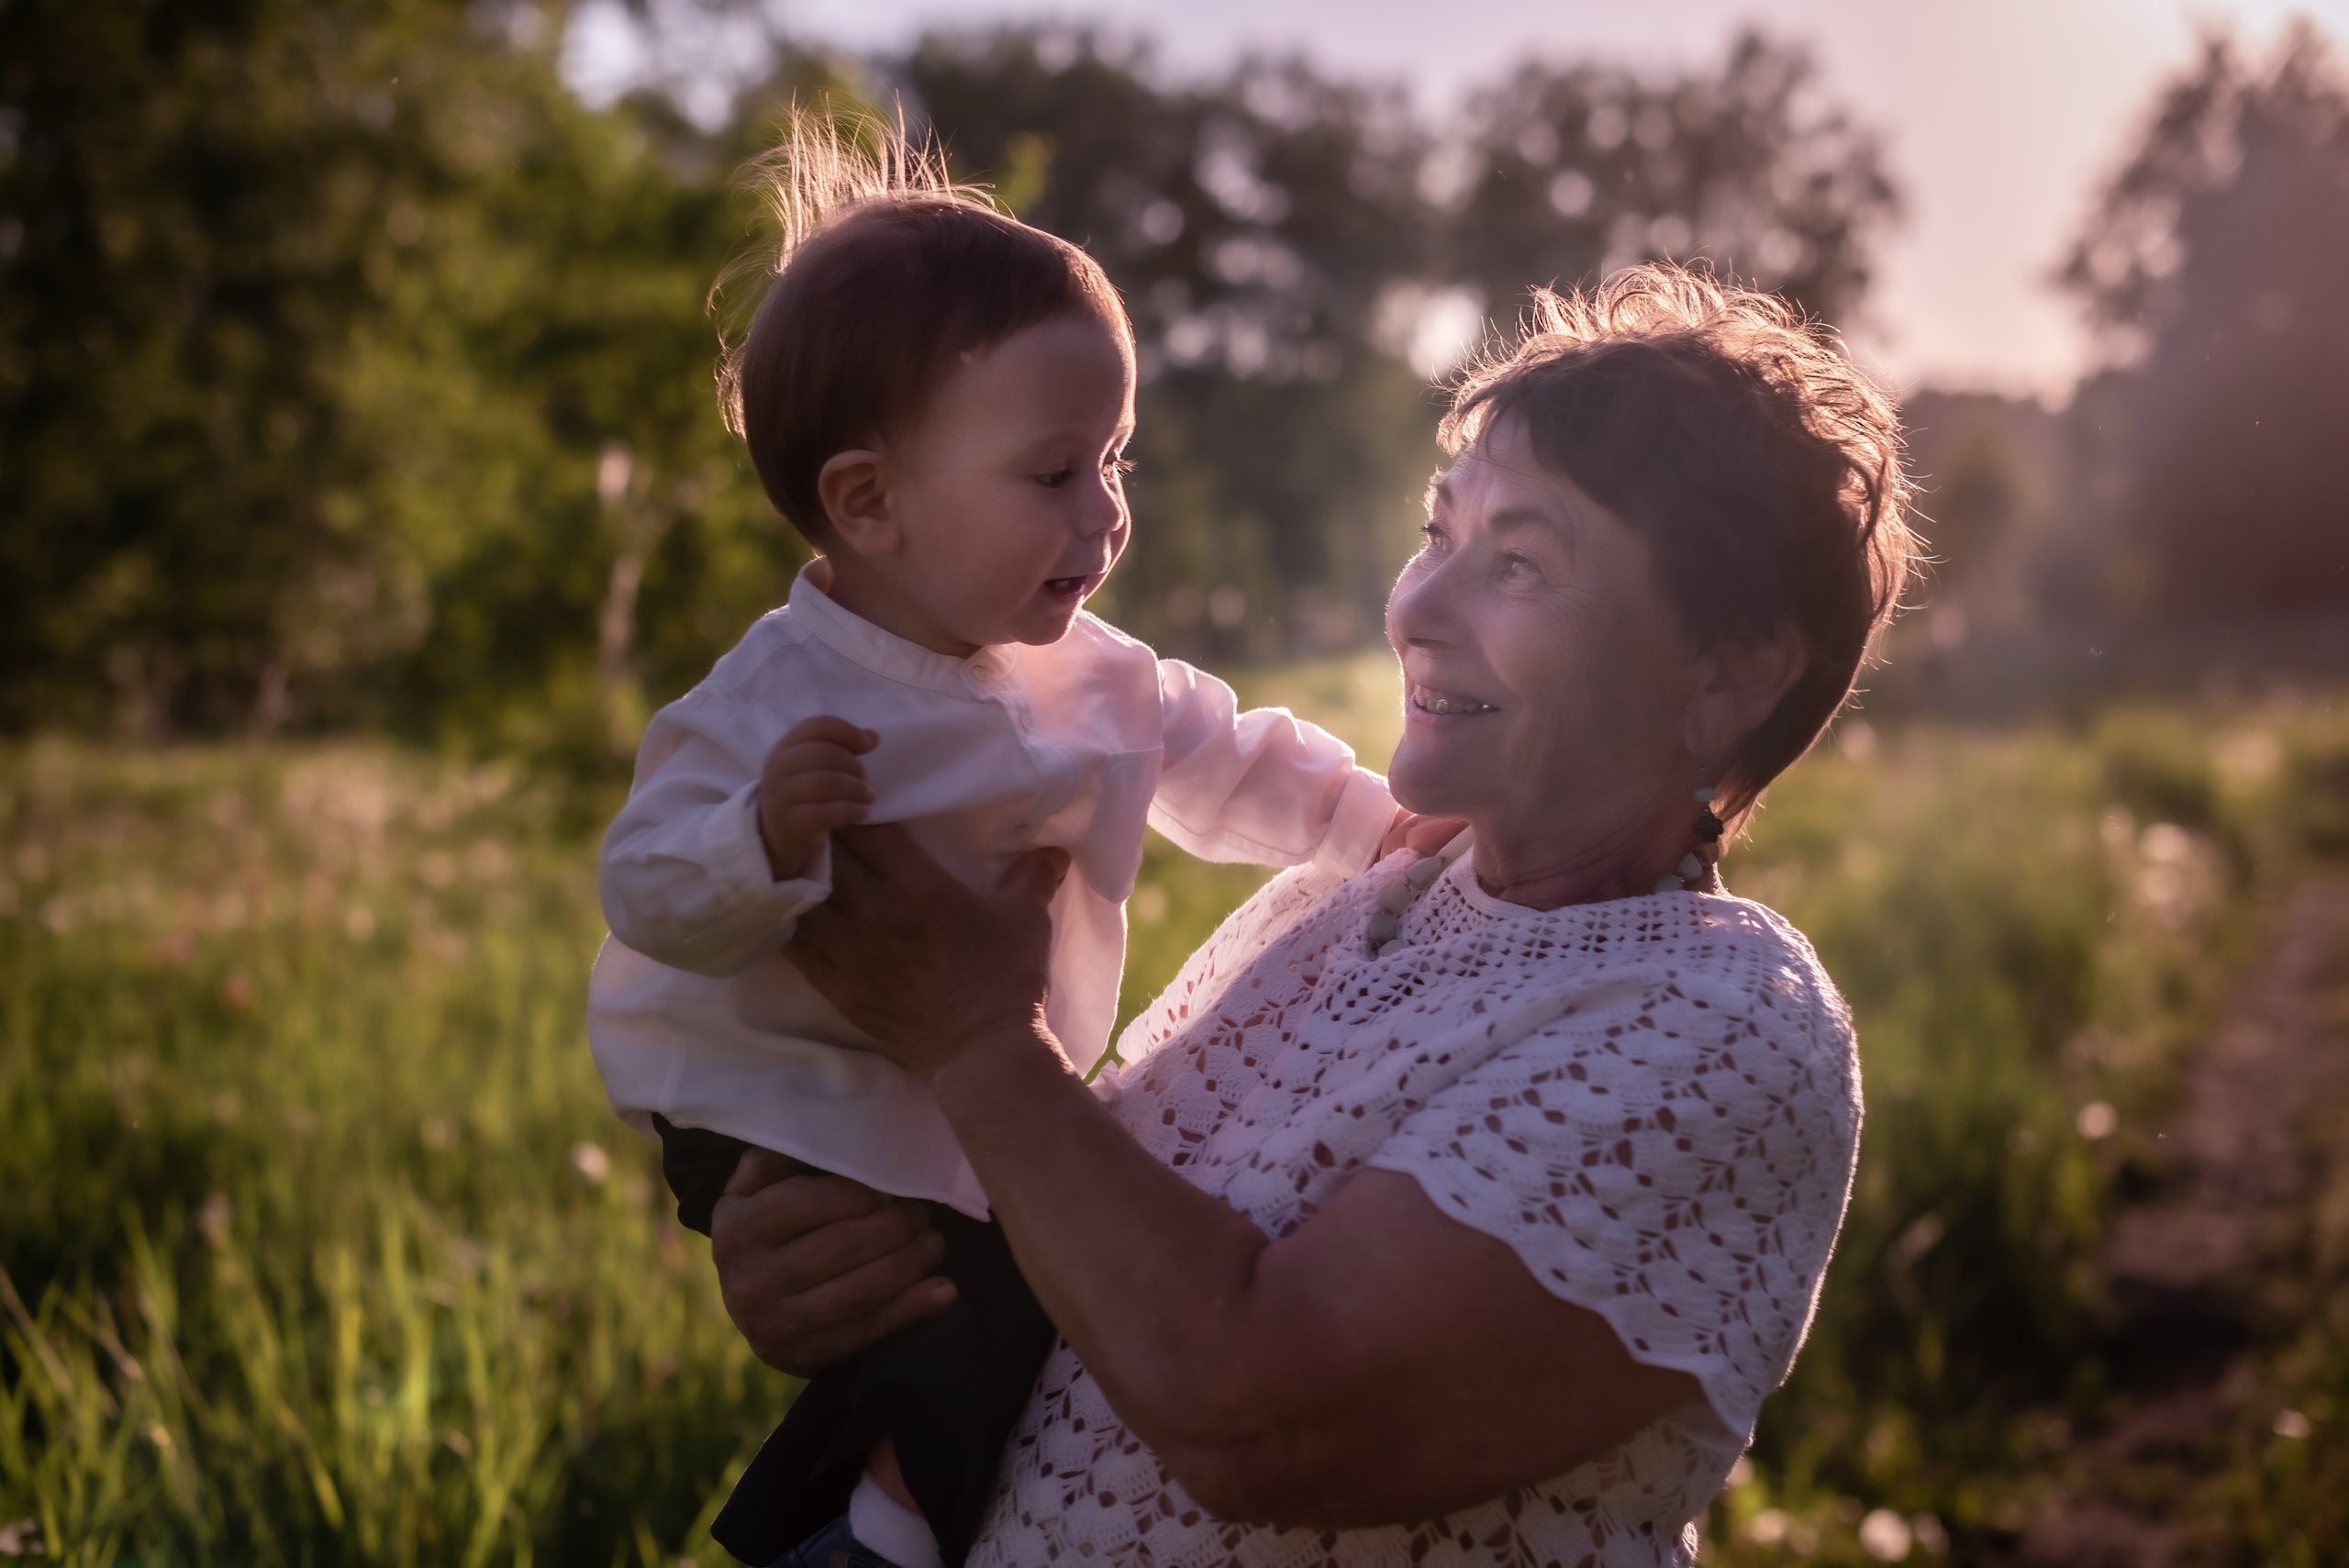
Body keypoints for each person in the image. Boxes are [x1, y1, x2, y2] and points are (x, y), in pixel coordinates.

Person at [704, 263, 1917, 1566]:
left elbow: (1258, 1420)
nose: (1416, 610)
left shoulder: (1724, 1023)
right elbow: (1081, 1248)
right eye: (1437, 534)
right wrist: (852, 1247)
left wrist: (978, 1045)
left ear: (1732, 673)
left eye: (1520, 562)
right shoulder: (1335, 905)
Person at [587, 119, 1408, 1568]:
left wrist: (1381, 830)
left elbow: (1230, 756)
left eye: (1116, 459)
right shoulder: (773, 701)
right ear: (870, 502)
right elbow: (645, 887)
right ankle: (885, 1536)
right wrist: (760, 837)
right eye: (1053, 473)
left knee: (1022, 1282)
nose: (1106, 513)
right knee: (950, 1300)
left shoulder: (1093, 672)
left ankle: (858, 1517)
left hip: (959, 1086)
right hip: (774, 1089)